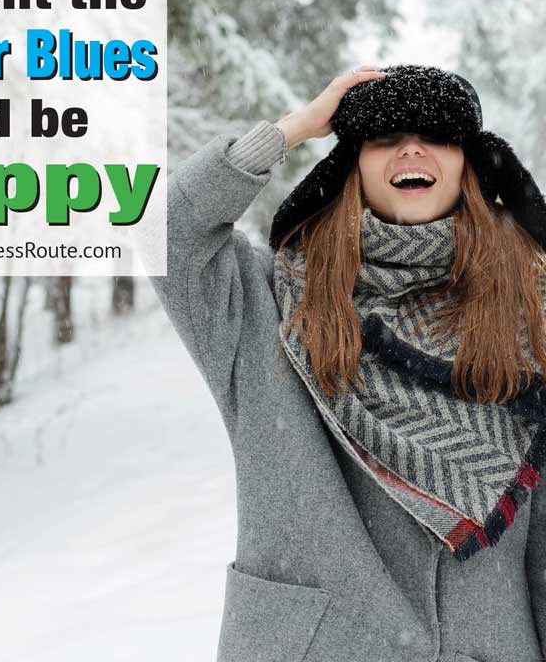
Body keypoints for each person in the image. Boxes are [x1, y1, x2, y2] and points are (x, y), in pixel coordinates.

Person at [148, 63, 546, 662]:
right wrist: (292, 130)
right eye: (385, 137)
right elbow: (167, 230)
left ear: (468, 164)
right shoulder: (273, 304)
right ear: (352, 166)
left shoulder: (529, 311)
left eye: (437, 135)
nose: (411, 148)